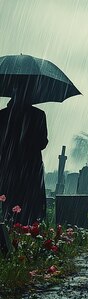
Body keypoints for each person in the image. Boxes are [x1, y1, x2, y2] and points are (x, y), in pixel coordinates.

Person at [0, 88, 48, 224]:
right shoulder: (38, 115)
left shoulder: (3, 115)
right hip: (31, 168)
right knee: (32, 207)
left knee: (10, 204)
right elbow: (42, 143)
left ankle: (10, 235)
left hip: (9, 167)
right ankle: (32, 232)